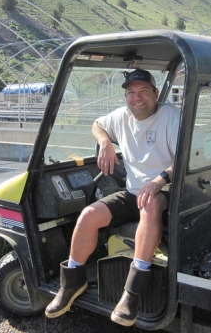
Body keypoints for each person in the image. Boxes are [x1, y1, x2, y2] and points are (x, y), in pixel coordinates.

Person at [45, 68, 180, 326]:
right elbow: (97, 124)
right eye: (131, 93)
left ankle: (132, 293)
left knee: (150, 203)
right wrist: (105, 142)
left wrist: (159, 179)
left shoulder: (170, 117)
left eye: (143, 92)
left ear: (155, 93)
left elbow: (182, 161)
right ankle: (73, 281)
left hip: (164, 191)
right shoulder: (121, 117)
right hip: (132, 192)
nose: (137, 98)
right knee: (88, 215)